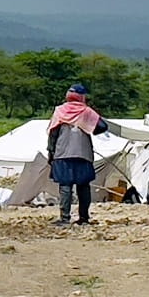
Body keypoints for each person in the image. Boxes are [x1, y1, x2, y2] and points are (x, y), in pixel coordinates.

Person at [47, 84, 109, 225]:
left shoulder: (59, 111)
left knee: (65, 186)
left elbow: (53, 133)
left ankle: (65, 218)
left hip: (62, 153)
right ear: (81, 97)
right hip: (83, 153)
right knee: (83, 186)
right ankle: (84, 218)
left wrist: (51, 152)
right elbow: (103, 126)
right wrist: (88, 128)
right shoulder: (86, 111)